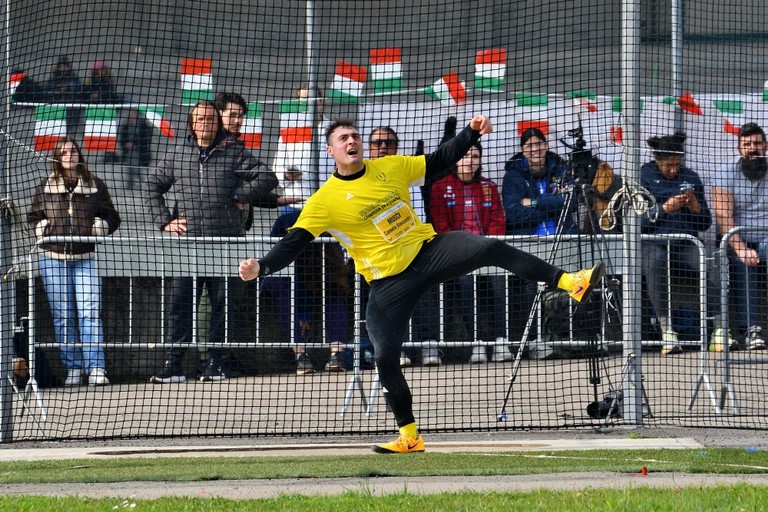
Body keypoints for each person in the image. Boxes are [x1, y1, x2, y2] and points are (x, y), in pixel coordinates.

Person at [239, 116, 604, 453]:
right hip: (388, 284)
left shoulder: (391, 167)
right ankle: (409, 436)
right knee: (384, 357)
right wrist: (263, 266)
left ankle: (570, 281)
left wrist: (471, 133)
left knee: (490, 246)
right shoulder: (324, 201)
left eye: (354, 136)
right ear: (331, 151)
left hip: (429, 251)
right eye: (343, 138)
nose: (351, 141)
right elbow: (293, 243)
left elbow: (441, 159)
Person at [145, 100, 279, 384]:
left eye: (210, 119)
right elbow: (152, 186)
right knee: (180, 304)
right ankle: (174, 365)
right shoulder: (178, 153)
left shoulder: (233, 152)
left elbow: (267, 176)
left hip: (223, 244)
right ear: (191, 123)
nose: (205, 123)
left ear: (217, 122)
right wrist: (165, 221)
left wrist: (238, 195)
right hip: (188, 245)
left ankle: (215, 364)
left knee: (222, 305)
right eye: (200, 119)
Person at [27, 137, 121, 386]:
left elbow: (112, 216)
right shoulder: (45, 186)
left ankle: (96, 368)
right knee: (63, 316)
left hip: (85, 258)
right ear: (57, 157)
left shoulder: (94, 185)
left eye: (73, 150)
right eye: (64, 151)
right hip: (52, 258)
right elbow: (33, 216)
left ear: (80, 154)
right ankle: (74, 368)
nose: (70, 155)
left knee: (90, 313)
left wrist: (101, 226)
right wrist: (41, 228)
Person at [639, 132, 731, 355]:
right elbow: (636, 222)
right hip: (654, 242)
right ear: (658, 160)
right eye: (668, 165)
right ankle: (667, 332)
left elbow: (706, 223)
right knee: (654, 263)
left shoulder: (691, 176)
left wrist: (695, 207)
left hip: (687, 242)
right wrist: (663, 210)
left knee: (714, 258)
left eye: (677, 165)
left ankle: (720, 331)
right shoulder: (644, 175)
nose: (674, 170)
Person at [430, 142, 512, 364]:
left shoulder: (488, 186)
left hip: (487, 251)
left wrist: (487, 246)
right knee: (466, 284)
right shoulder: (440, 187)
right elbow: (441, 226)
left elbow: (497, 220)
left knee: (500, 282)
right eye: (465, 156)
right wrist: (463, 248)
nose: (470, 161)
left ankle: (501, 340)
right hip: (458, 253)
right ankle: (476, 343)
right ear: (456, 159)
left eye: (475, 156)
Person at [502, 127, 579, 360]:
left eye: (539, 144)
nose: (535, 149)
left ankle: (573, 339)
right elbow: (514, 214)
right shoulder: (513, 176)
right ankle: (535, 341)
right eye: (529, 146)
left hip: (563, 239)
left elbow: (571, 203)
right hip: (531, 244)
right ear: (522, 151)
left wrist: (534, 202)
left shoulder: (562, 169)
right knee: (529, 289)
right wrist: (552, 208)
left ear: (546, 146)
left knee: (575, 284)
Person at [367, 126, 441, 367]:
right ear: (369, 148)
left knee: (423, 294)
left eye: (388, 142)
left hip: (412, 250)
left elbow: (416, 213)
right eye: (377, 143)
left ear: (397, 146)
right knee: (386, 304)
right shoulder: (362, 175)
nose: (383, 147)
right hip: (378, 258)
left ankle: (429, 344)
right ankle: (394, 350)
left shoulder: (406, 172)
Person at [711, 122, 768, 351]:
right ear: (739, 148)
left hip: (766, 238)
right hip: (735, 238)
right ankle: (751, 330)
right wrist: (741, 248)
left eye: (757, 144)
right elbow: (723, 216)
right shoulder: (725, 173)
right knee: (743, 262)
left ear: (766, 146)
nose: (752, 149)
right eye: (747, 144)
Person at [47, 56, 86, 139]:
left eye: (65, 66)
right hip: (58, 106)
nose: (63, 68)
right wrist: (58, 89)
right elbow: (48, 89)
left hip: (72, 107)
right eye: (61, 66)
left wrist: (69, 87)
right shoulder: (54, 78)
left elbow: (79, 87)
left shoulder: (73, 77)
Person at [117, 108, 153, 190]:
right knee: (131, 167)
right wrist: (125, 144)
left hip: (139, 150)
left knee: (134, 168)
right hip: (129, 151)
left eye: (133, 113)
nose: (131, 115)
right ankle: (133, 184)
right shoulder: (125, 125)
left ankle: (141, 183)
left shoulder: (143, 125)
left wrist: (134, 143)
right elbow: (122, 138)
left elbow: (146, 138)